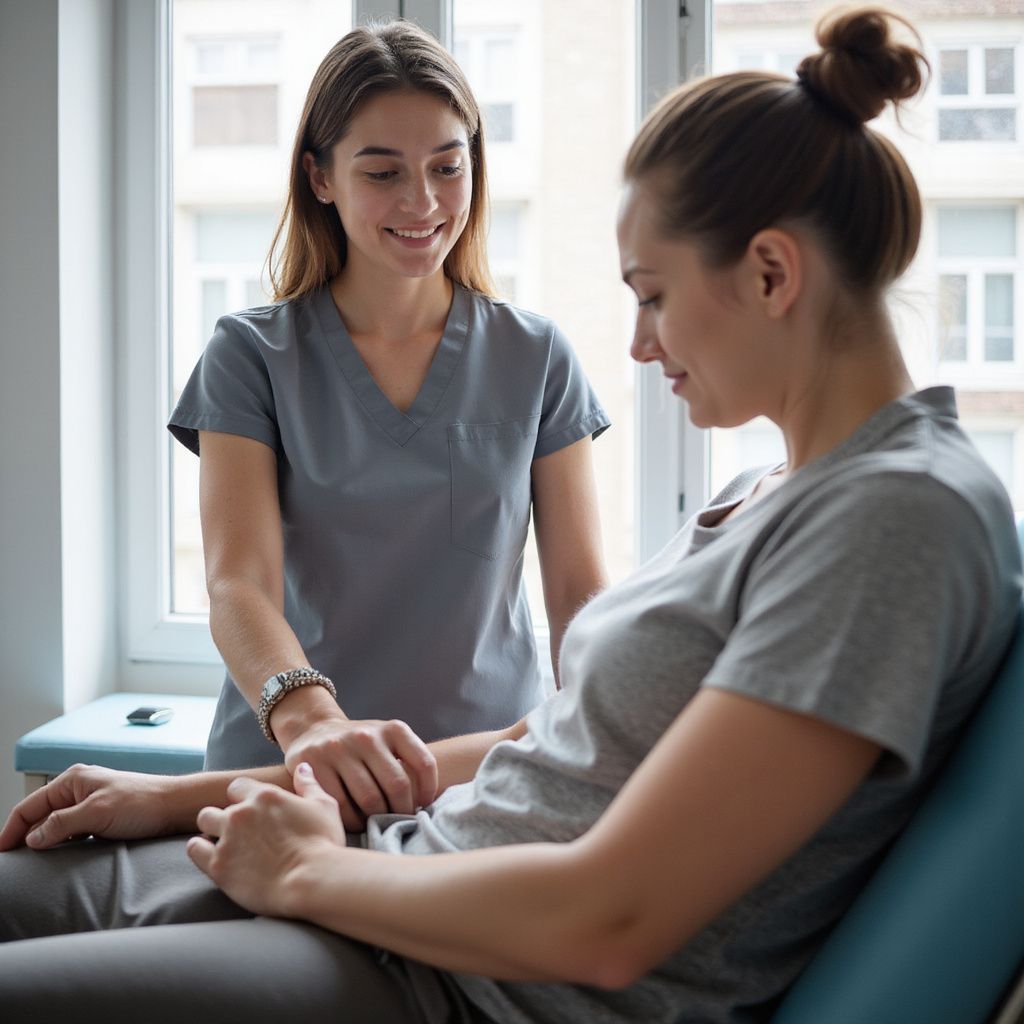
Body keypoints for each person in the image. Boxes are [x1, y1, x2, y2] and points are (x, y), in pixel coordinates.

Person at [1, 6, 1020, 1023]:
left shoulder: (895, 518)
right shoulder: (762, 498)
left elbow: (610, 919)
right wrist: (177, 796)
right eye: (382, 169)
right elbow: (556, 736)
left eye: (652, 295)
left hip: (448, 969)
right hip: (387, 864)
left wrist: (304, 874)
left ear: (769, 272)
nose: (636, 344)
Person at [165, 20, 610, 828]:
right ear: (321, 178)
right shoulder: (251, 354)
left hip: (482, 784)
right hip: (285, 774)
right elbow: (240, 583)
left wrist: (599, 749)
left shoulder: (536, 355)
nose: (423, 202)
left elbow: (579, 593)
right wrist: (313, 728)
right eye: (383, 171)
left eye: (448, 166)